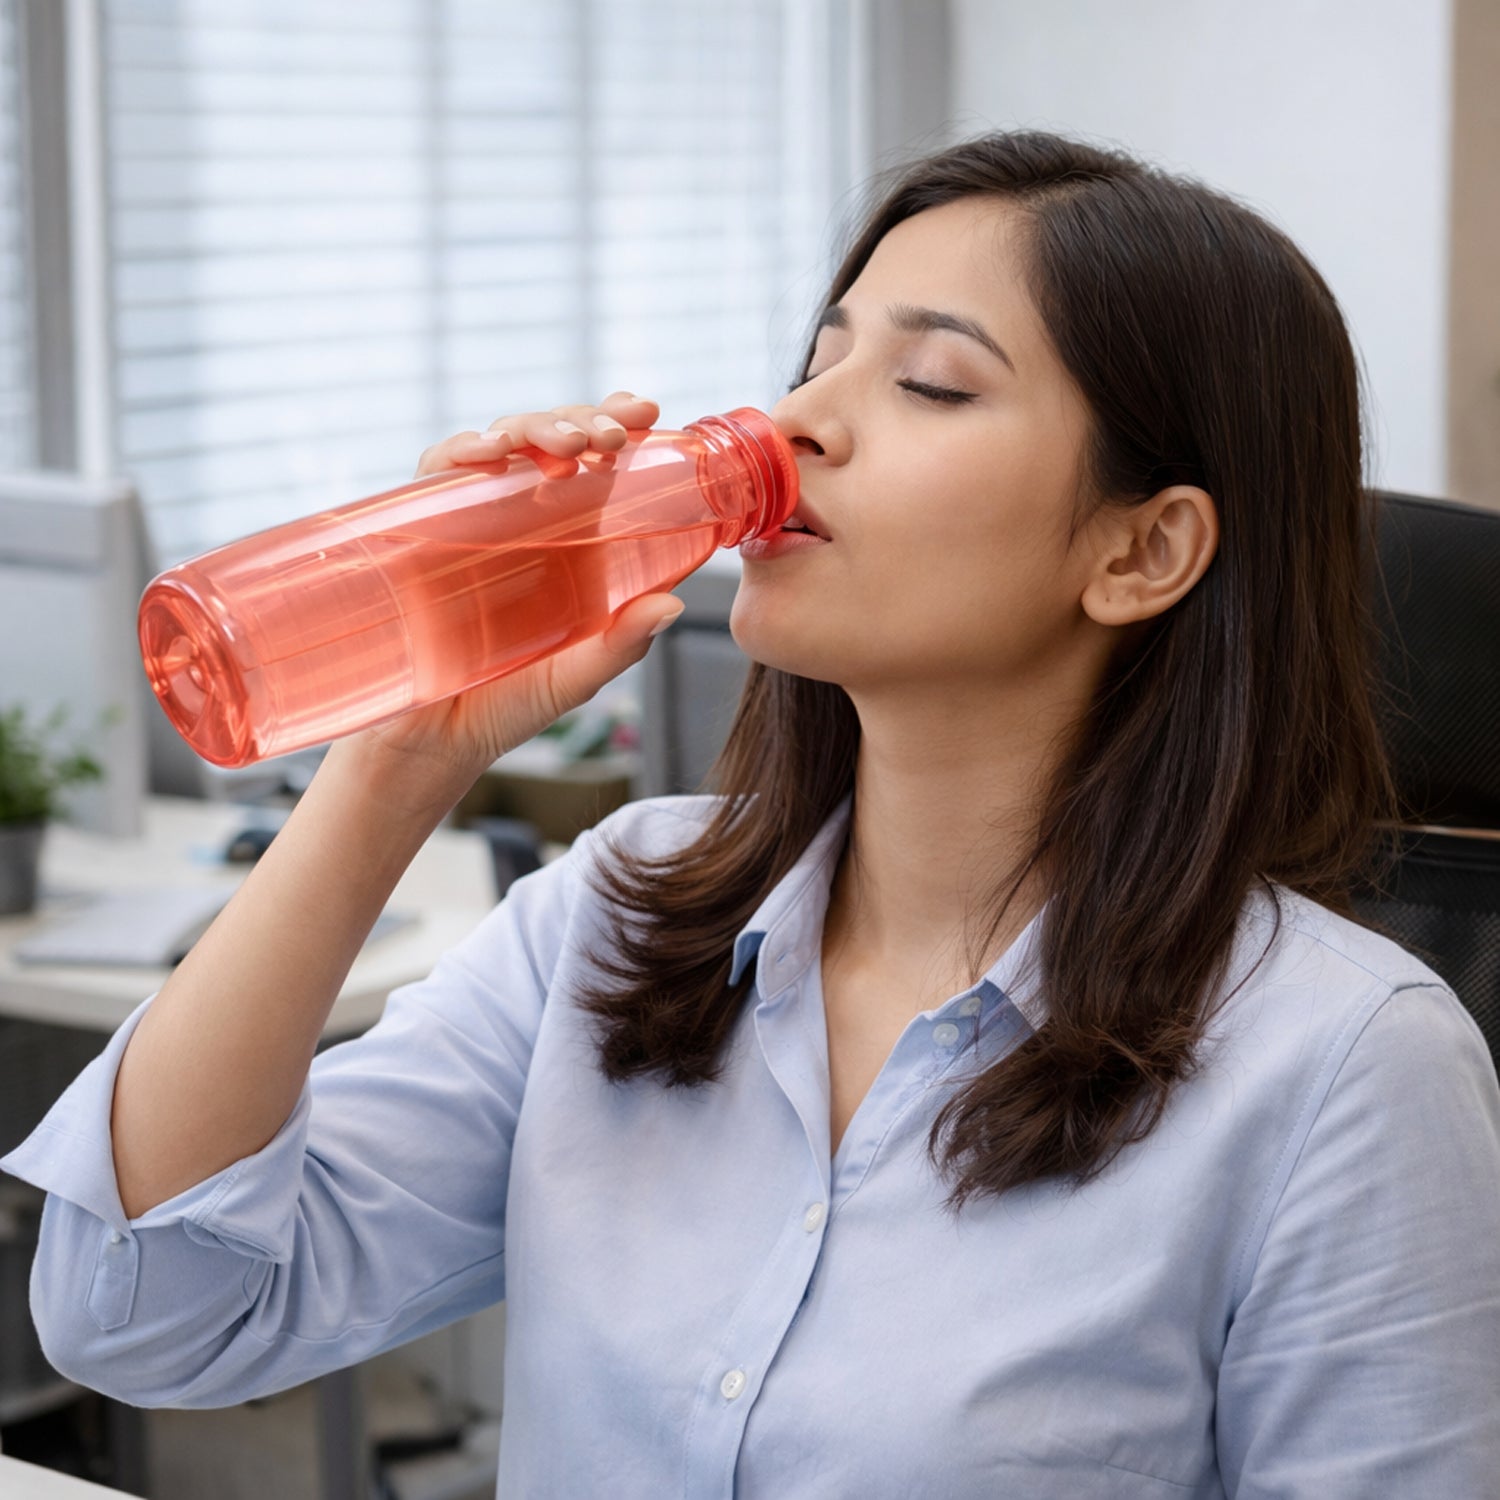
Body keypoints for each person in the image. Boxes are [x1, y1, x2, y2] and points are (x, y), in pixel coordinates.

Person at [5, 130, 1499, 1498]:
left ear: (1142, 549)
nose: (791, 428)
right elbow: (148, 1313)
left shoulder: (1344, 1068)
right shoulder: (625, 909)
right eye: (819, 361)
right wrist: (400, 760)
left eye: (930, 383)